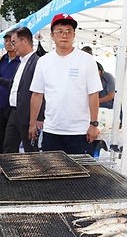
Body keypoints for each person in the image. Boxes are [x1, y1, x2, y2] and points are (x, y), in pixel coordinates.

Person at [28, 14, 102, 154]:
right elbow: (37, 94)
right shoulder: (44, 61)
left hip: (79, 131)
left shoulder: (87, 60)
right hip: (52, 130)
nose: (64, 35)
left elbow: (93, 94)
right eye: (60, 31)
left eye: (69, 31)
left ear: (74, 35)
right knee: (53, 174)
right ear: (52, 35)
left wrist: (93, 124)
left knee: (81, 174)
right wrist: (32, 123)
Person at [0, 27, 42, 153]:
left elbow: (41, 93)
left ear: (25, 41)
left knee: (30, 150)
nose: (12, 46)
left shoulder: (37, 63)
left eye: (14, 42)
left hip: (29, 114)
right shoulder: (20, 62)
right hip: (14, 112)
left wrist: (38, 118)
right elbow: (14, 85)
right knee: (8, 146)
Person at [0, 31, 20, 154]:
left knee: (11, 140)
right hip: (0, 104)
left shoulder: (21, 61)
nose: (8, 44)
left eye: (10, 41)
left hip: (14, 105)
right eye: (6, 41)